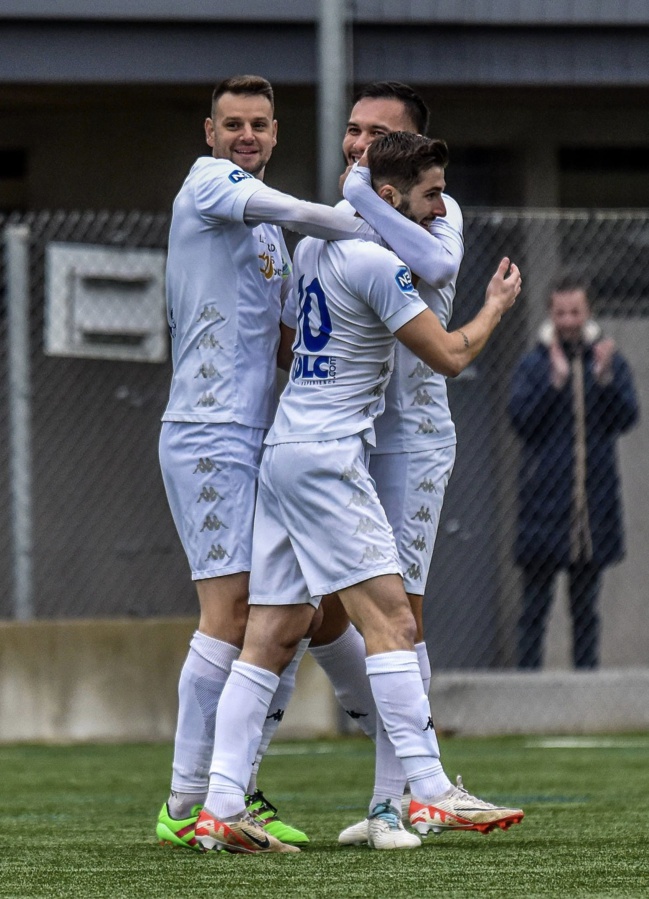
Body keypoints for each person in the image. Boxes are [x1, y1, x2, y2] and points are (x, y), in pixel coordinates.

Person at [194, 132, 524, 854]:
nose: (439, 208)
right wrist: (496, 303)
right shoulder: (378, 261)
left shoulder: (317, 248)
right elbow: (451, 354)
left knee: (271, 633)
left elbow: (293, 342)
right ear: (387, 197)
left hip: (285, 449)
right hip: (327, 458)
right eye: (430, 193)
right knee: (395, 624)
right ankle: (431, 788)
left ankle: (219, 802)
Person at [155, 74, 381, 851]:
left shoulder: (270, 243)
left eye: (259, 124)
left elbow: (292, 345)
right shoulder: (207, 184)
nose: (245, 135)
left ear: (276, 132)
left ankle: (246, 785)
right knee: (232, 611)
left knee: (302, 610)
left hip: (261, 439)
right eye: (233, 124)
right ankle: (189, 800)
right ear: (210, 132)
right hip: (206, 433)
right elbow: (289, 206)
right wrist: (366, 218)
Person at [299, 82, 465, 848]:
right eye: (352, 131)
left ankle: (393, 800)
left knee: (402, 613)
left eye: (375, 135)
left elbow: (429, 268)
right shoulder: (339, 222)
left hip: (410, 435)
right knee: (320, 615)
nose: (356, 146)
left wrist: (360, 200)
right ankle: (407, 762)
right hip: (339, 438)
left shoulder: (437, 211)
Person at [509, 274, 639, 669]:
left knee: (585, 611)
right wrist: (555, 383)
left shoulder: (608, 359)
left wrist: (604, 381)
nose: (568, 320)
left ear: (588, 312)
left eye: (575, 312)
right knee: (534, 608)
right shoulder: (534, 363)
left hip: (591, 510)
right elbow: (520, 421)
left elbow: (627, 418)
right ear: (551, 313)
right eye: (561, 312)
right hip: (543, 507)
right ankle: (525, 689)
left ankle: (586, 687)